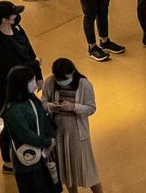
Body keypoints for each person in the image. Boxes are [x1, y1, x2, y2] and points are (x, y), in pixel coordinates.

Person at [0, 0, 37, 168]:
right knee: (10, 126)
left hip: (22, 87)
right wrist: (35, 66)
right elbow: (11, 68)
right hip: (5, 93)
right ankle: (7, 162)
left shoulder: (17, 29)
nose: (17, 15)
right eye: (14, 13)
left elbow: (29, 50)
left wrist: (38, 74)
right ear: (5, 19)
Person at [41, 57, 101, 193]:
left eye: (65, 79)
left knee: (87, 169)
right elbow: (43, 103)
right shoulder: (50, 82)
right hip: (58, 134)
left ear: (73, 72)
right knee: (66, 171)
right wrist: (51, 106)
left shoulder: (84, 84)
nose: (62, 83)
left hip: (78, 135)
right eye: (59, 80)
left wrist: (74, 107)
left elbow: (91, 108)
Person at [1, 64, 57, 193]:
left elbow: (42, 118)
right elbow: (25, 135)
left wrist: (50, 136)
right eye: (31, 80)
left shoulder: (30, 98)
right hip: (28, 162)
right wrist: (47, 142)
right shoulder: (13, 110)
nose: (34, 83)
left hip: (42, 155)